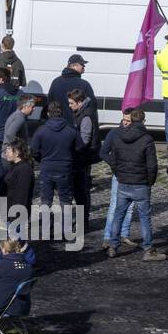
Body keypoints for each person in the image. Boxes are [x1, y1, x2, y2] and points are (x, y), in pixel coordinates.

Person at [105, 109, 164, 261]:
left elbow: (113, 159)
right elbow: (152, 165)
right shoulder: (147, 139)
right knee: (145, 217)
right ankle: (148, 248)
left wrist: (119, 174)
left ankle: (113, 245)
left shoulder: (118, 136)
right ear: (143, 121)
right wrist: (150, 181)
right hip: (141, 184)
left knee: (119, 215)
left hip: (123, 182)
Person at [31, 101, 78, 208]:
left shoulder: (41, 130)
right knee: (65, 200)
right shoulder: (71, 130)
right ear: (62, 113)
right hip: (65, 168)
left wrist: (42, 160)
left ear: (48, 114)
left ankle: (46, 224)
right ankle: (65, 224)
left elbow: (34, 151)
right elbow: (79, 149)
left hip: (47, 167)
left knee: (46, 200)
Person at [100, 110, 135, 249]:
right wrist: (114, 164)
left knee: (131, 206)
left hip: (134, 174)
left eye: (128, 121)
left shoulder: (137, 134)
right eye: (124, 120)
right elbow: (103, 152)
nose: (125, 122)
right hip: (119, 174)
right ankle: (108, 236)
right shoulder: (115, 133)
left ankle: (124, 234)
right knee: (115, 205)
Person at [67, 87, 99, 230]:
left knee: (81, 192)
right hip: (82, 157)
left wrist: (72, 145)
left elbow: (85, 140)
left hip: (83, 157)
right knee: (80, 191)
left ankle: (83, 222)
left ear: (80, 102)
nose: (69, 106)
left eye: (71, 103)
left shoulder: (86, 116)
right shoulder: (82, 112)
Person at [0, 140, 35, 231]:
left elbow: (22, 194)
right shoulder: (14, 166)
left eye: (8, 151)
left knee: (16, 242)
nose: (6, 154)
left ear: (17, 153)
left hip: (17, 212)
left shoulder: (24, 169)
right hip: (11, 209)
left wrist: (17, 214)